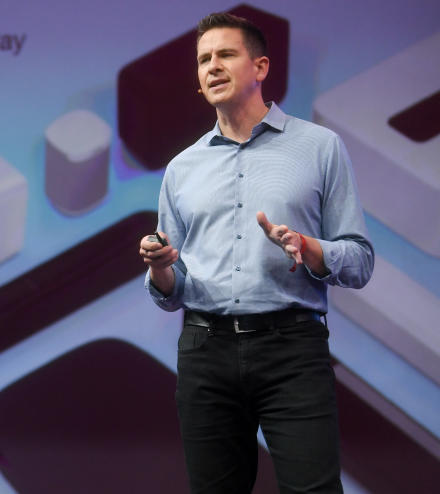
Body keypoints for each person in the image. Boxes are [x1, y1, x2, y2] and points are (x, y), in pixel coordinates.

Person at [139, 12, 374, 494]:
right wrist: (162, 272)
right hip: (206, 351)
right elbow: (173, 288)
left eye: (225, 54)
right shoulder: (182, 167)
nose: (212, 67)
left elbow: (360, 261)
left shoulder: (319, 147)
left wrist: (309, 248)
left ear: (261, 67)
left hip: (291, 349)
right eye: (204, 59)